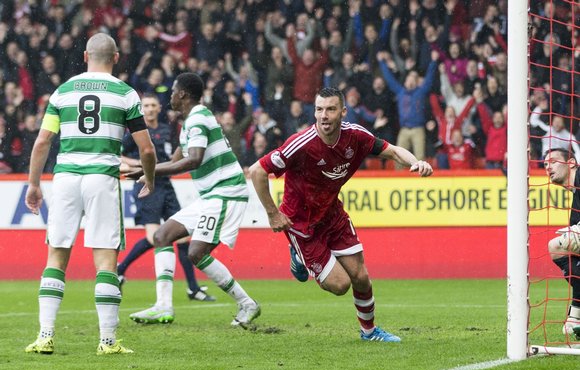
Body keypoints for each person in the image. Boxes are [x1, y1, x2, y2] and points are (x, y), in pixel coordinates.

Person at [249, 87, 433, 342]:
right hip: (301, 224)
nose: (324, 115)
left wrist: (417, 161)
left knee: (361, 276)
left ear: (343, 112)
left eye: (331, 109)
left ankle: (369, 333)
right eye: (319, 109)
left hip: (332, 214)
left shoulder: (355, 136)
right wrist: (272, 214)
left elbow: (392, 150)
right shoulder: (300, 144)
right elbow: (257, 171)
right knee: (340, 285)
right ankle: (298, 256)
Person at [24, 33, 156, 355]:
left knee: (56, 256)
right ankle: (107, 342)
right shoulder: (125, 94)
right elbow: (146, 149)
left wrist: (33, 183)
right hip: (101, 178)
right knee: (105, 260)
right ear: (115, 57)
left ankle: (45, 336)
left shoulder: (63, 91)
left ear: (85, 56)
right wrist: (149, 178)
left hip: (66, 178)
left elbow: (42, 142)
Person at [126, 73, 260, 327]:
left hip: (226, 191)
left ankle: (247, 304)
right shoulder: (190, 122)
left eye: (174, 91)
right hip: (212, 194)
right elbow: (176, 160)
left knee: (196, 252)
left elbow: (193, 160)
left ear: (183, 95)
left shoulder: (198, 118)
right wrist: (148, 175)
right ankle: (163, 306)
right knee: (162, 236)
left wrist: (150, 171)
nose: (171, 96)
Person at [118, 93, 215, 302]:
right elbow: (119, 156)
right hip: (147, 185)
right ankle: (121, 269)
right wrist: (139, 166)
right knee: (155, 237)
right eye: (146, 105)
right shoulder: (135, 131)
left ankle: (193, 288)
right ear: (141, 109)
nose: (150, 109)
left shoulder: (166, 129)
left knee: (182, 238)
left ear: (159, 108)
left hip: (166, 185)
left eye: (153, 105)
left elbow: (174, 156)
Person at [544, 148, 580, 339]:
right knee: (558, 247)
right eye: (545, 164)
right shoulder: (576, 206)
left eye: (553, 161)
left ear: (571, 163)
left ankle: (576, 312)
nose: (548, 167)